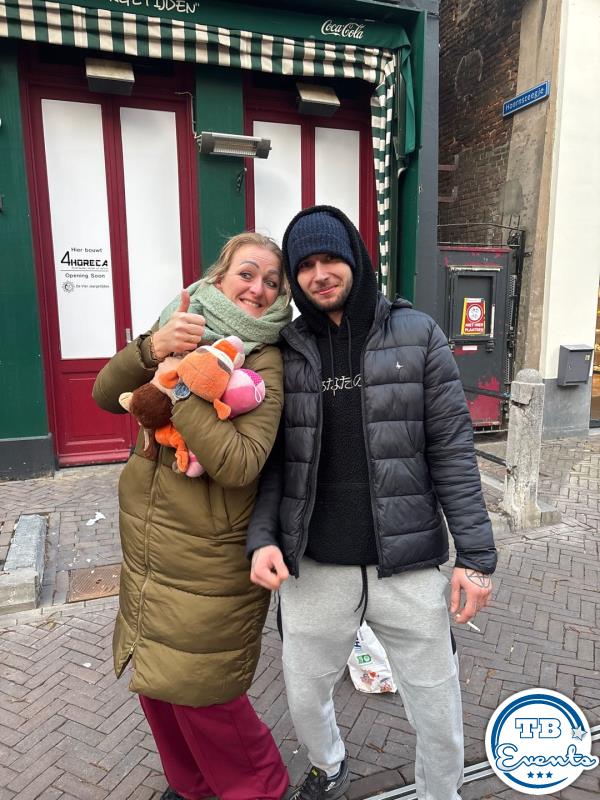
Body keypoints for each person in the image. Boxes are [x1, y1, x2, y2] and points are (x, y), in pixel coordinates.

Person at [247, 207, 497, 800]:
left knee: (436, 703)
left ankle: (440, 792)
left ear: (356, 259)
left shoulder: (418, 334)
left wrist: (476, 558)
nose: (319, 274)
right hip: (316, 566)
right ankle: (329, 764)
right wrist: (263, 539)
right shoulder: (284, 350)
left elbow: (453, 451)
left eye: (330, 258)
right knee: (305, 693)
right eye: (305, 265)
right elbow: (274, 462)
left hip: (407, 564)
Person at [93, 232, 293, 800]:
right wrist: (153, 349)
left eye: (272, 282)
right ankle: (191, 788)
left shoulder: (266, 358)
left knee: (206, 695)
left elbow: (240, 462)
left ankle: (262, 791)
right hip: (149, 546)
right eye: (246, 274)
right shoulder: (179, 323)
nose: (258, 289)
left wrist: (179, 383)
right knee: (156, 686)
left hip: (209, 558)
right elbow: (106, 396)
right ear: (218, 277)